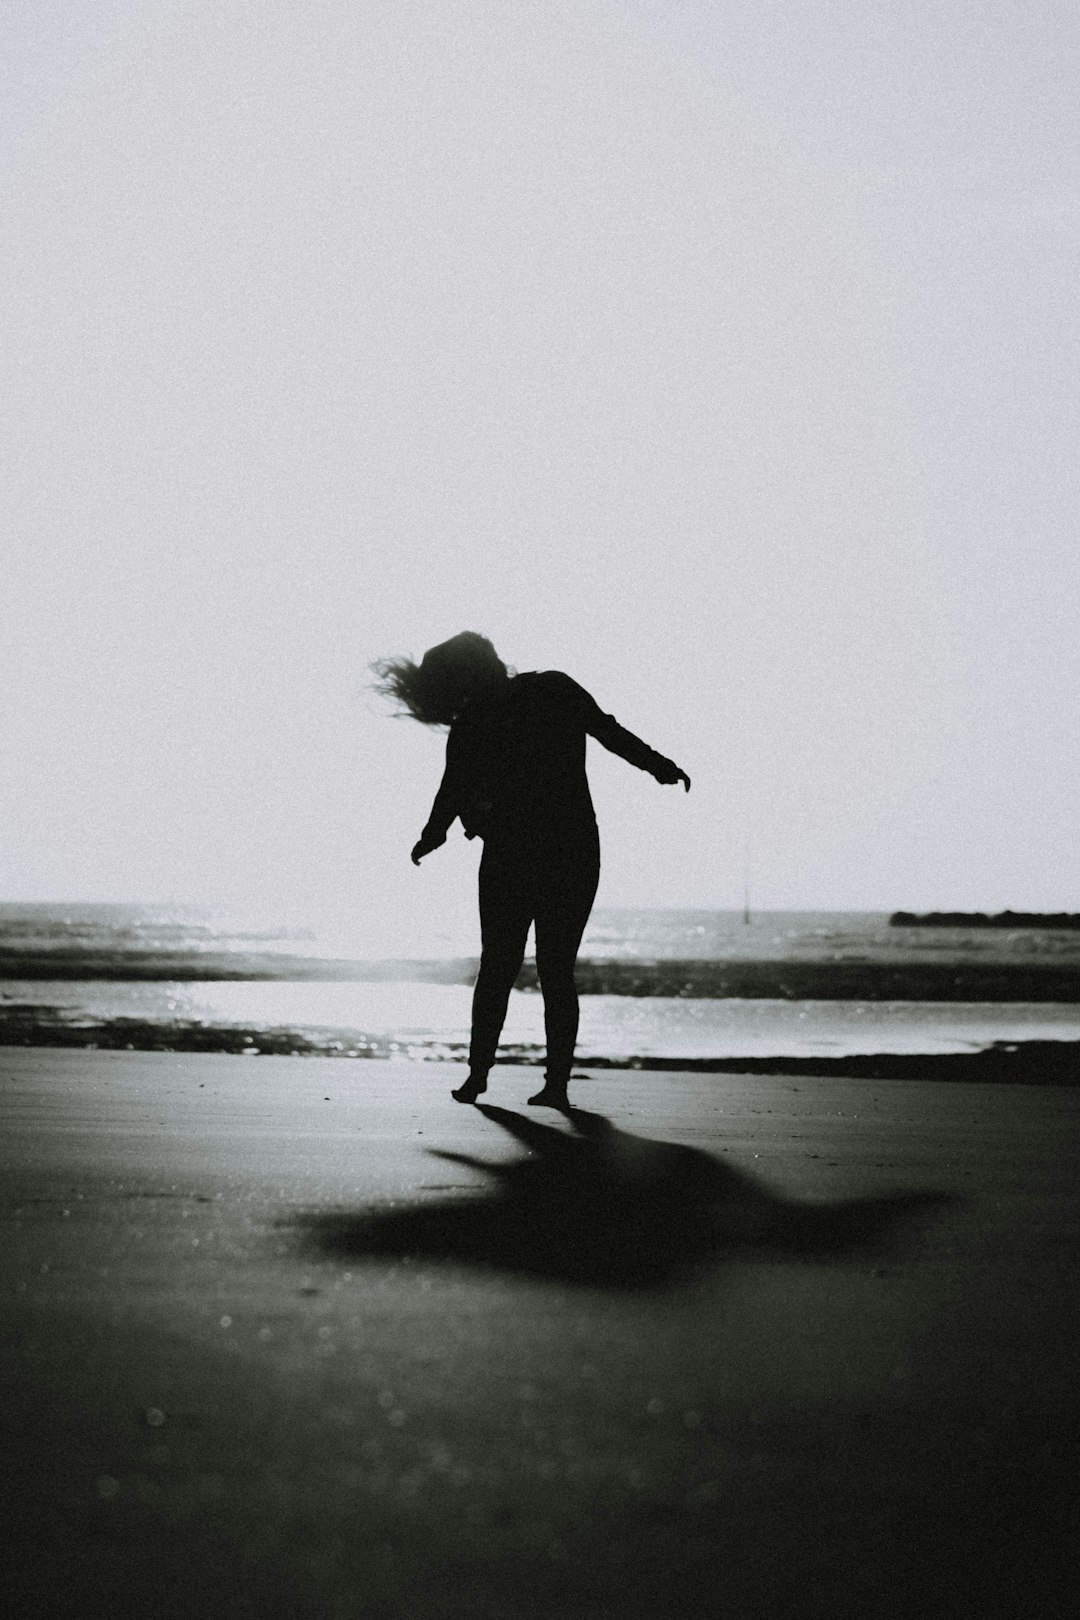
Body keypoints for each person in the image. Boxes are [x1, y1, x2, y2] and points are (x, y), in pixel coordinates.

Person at [372, 632, 690, 1108]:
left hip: (522, 853)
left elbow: (452, 790)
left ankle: (486, 1078)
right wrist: (658, 765)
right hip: (566, 849)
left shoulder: (488, 714)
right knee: (550, 970)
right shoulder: (547, 691)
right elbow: (607, 732)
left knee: (502, 968)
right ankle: (542, 1083)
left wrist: (433, 835)